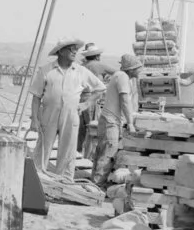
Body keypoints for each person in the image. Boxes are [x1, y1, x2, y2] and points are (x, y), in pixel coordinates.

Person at [29, 37, 95, 182]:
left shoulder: (81, 71)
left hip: (71, 115)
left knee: (69, 148)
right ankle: (38, 177)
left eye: (76, 50)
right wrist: (34, 119)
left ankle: (64, 180)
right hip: (48, 113)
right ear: (61, 52)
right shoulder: (46, 70)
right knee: (44, 146)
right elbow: (36, 97)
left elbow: (100, 89)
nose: (75, 52)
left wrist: (85, 105)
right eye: (71, 49)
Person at [92, 53, 143, 186]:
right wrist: (130, 123)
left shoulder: (122, 76)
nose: (140, 70)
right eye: (138, 68)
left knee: (103, 152)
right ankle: (97, 185)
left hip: (110, 120)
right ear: (131, 69)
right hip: (111, 121)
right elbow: (124, 100)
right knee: (108, 153)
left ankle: (95, 183)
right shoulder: (122, 77)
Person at [77, 43, 108, 159]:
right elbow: (118, 73)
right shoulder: (98, 65)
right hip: (91, 98)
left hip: (80, 98)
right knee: (92, 128)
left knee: (80, 130)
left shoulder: (82, 66)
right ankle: (88, 157)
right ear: (97, 56)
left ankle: (77, 153)